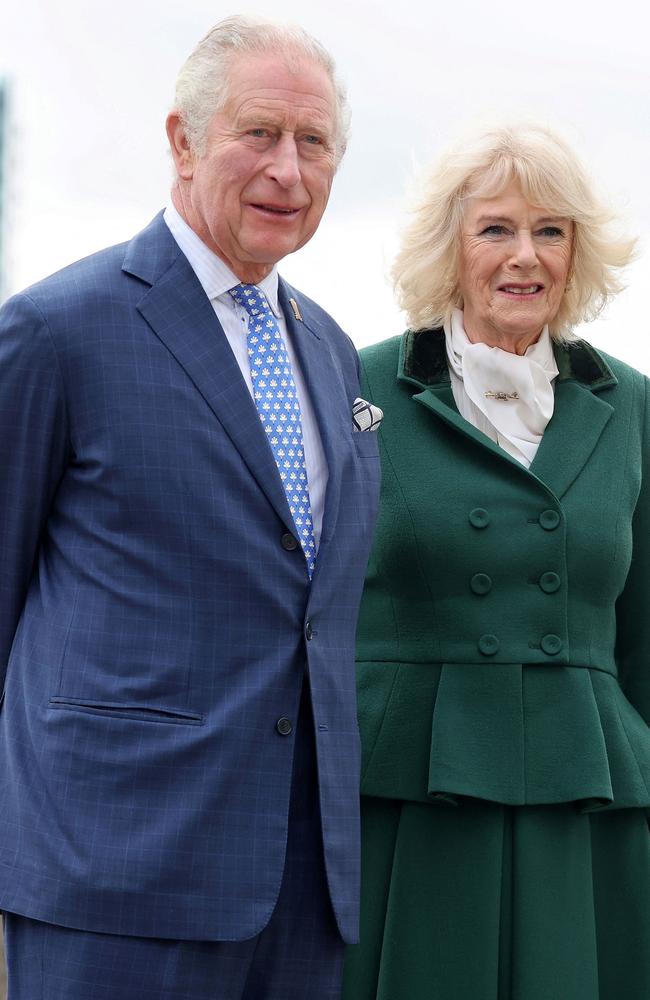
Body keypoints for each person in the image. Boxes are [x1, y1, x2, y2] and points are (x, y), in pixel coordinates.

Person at [0, 16, 380, 1000]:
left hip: (302, 893)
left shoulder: (333, 352)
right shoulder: (56, 331)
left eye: (314, 143)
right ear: (181, 140)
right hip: (114, 886)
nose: (288, 172)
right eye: (259, 133)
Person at [342, 123, 650, 1000]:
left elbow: (646, 633)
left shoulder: (632, 406)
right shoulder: (353, 388)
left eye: (550, 231)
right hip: (409, 800)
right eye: (496, 229)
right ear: (452, 246)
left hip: (585, 801)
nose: (526, 257)